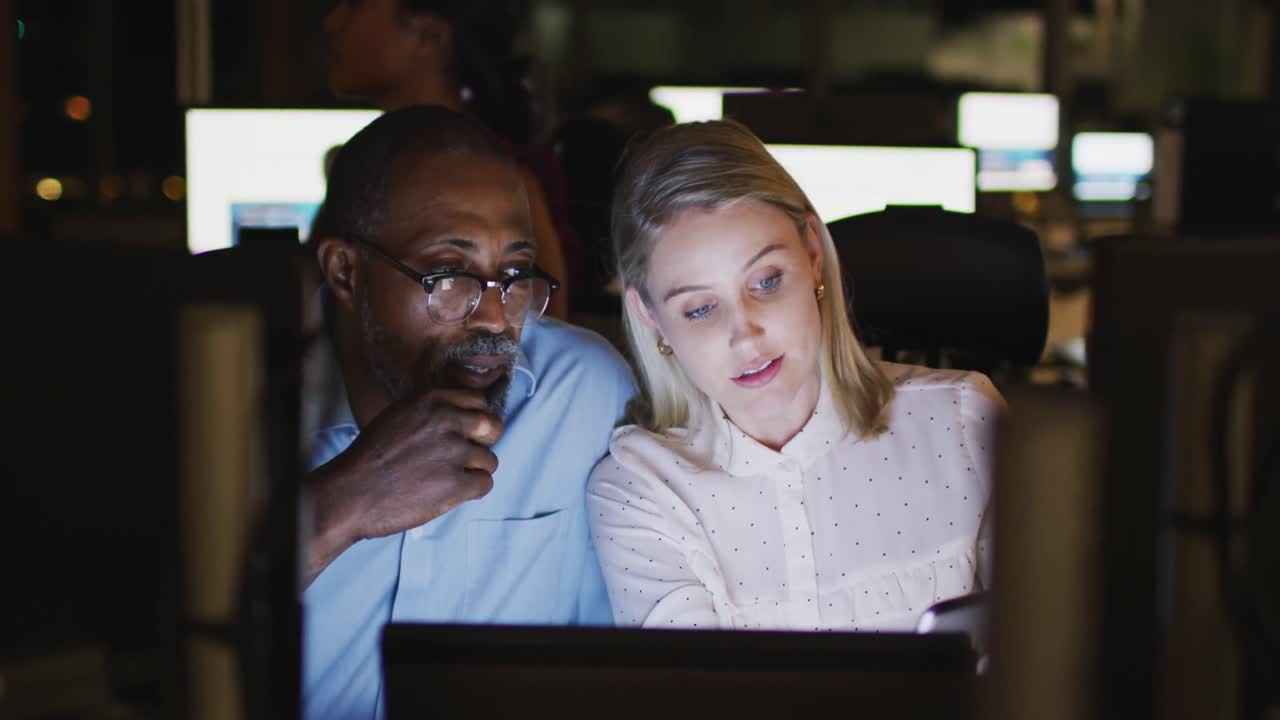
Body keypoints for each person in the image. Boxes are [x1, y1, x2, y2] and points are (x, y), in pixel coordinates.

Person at [588, 120, 1004, 631]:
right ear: (651, 317)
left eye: (765, 281)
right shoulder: (642, 490)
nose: (745, 336)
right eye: (699, 309)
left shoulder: (963, 422)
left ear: (811, 253)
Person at [303, 105, 634, 719]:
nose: (492, 317)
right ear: (346, 273)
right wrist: (342, 504)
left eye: (513, 274)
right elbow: (153, 642)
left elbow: (622, 663)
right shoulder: (233, 395)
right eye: (448, 275)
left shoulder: (583, 395)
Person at [323, 0, 577, 320]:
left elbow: (543, 339)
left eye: (355, 5)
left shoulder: (504, 183)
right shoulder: (365, 169)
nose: (332, 22)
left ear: (430, 34)